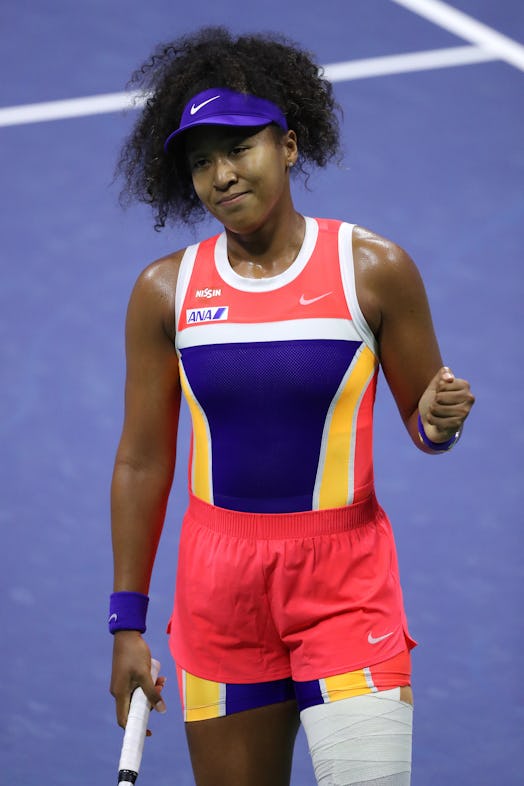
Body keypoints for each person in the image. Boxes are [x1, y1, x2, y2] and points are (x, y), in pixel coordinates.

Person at [109, 27, 475, 786]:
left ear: (291, 145)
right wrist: (127, 625)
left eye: (239, 148)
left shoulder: (372, 270)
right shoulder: (165, 291)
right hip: (216, 596)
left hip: (346, 585)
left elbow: (422, 421)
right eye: (201, 160)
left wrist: (437, 422)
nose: (221, 175)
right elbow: (143, 458)